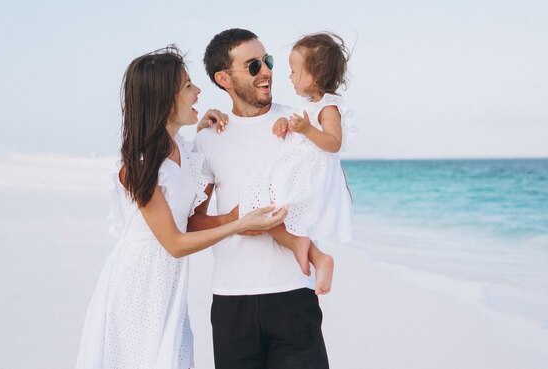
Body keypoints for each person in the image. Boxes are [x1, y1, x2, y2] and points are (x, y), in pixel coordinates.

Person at [75, 45, 287, 369]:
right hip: (139, 282)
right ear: (164, 98)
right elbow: (174, 242)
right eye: (188, 86)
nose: (199, 90)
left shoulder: (183, 150)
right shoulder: (139, 164)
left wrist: (231, 216)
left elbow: (188, 222)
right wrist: (238, 225)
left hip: (169, 283)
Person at [189, 29, 330, 369]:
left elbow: (329, 174)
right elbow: (192, 224)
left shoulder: (298, 124)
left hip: (294, 293)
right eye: (253, 66)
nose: (267, 71)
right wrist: (238, 222)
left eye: (267, 61)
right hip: (232, 303)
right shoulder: (208, 140)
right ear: (224, 78)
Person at [239, 32, 355, 294]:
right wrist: (286, 125)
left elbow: (334, 143)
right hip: (297, 172)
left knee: (267, 208)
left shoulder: (329, 107)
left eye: (294, 71)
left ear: (316, 74)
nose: (289, 76)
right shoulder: (308, 104)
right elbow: (298, 124)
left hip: (310, 177)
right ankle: (313, 253)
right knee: (258, 203)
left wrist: (306, 130)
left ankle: (313, 253)